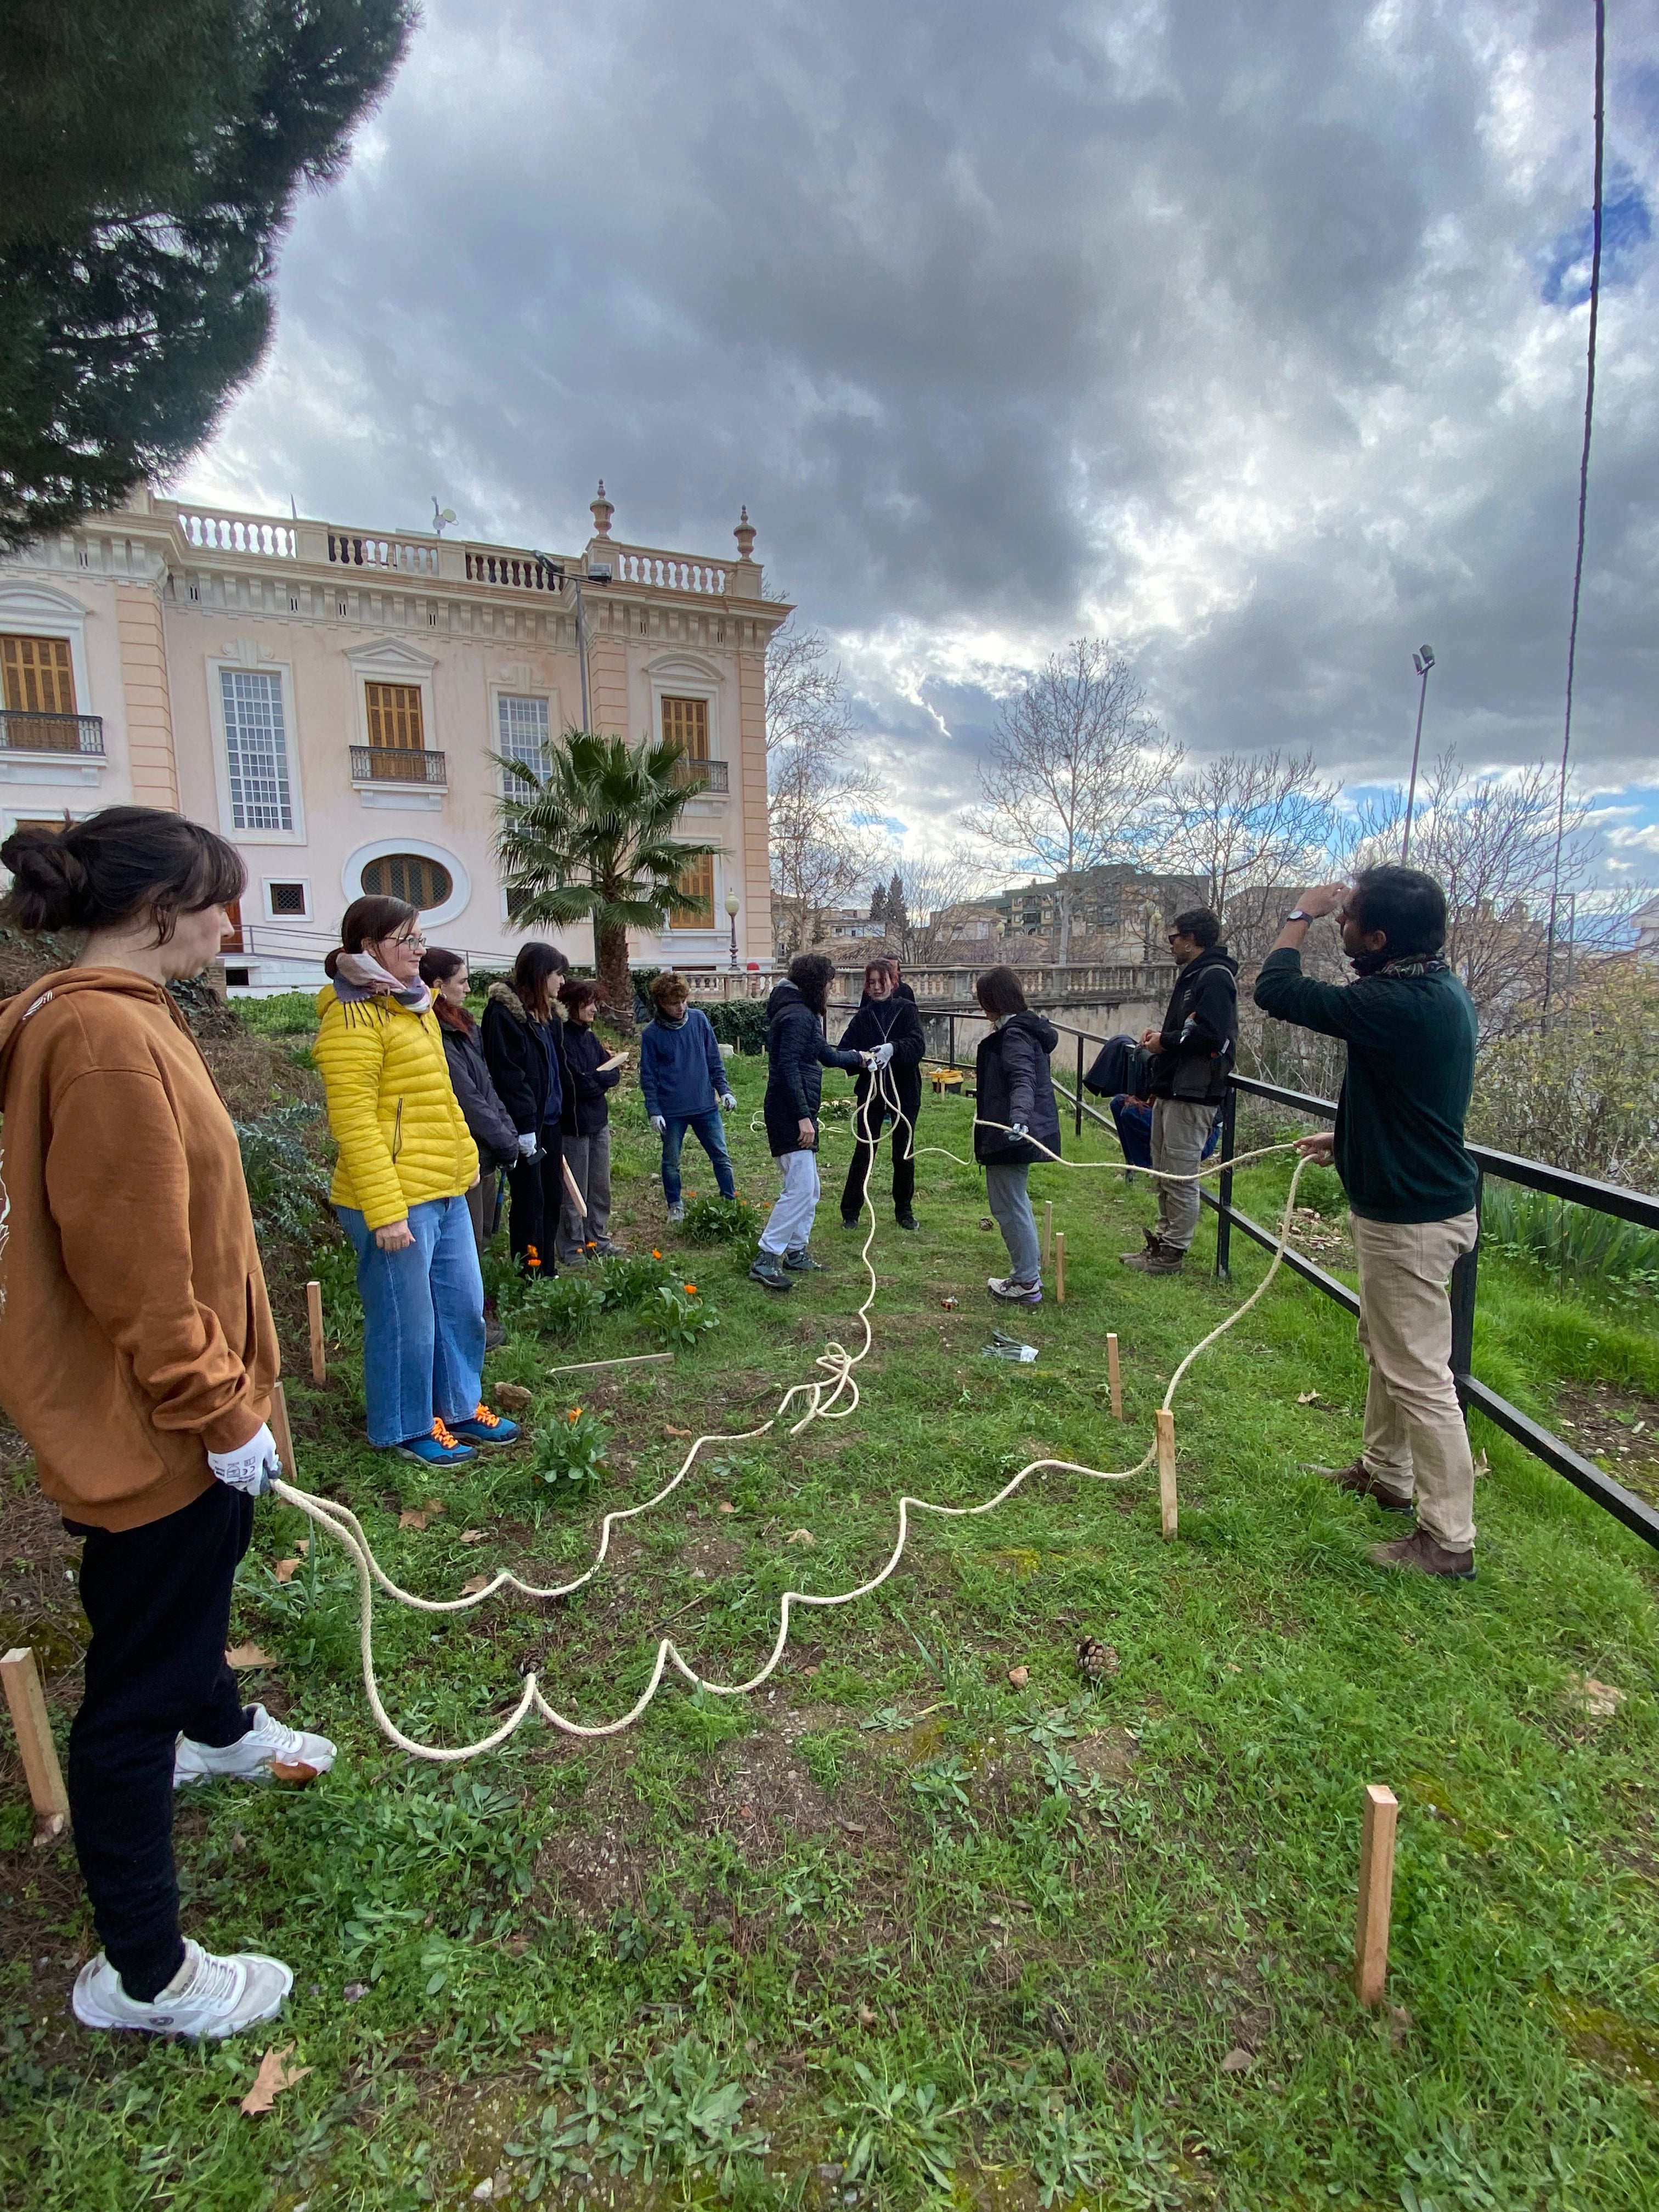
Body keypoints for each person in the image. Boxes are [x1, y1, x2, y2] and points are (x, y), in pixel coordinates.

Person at [0, 806, 335, 2039]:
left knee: (186, 1604)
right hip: (158, 1426)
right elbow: (133, 1262)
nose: (232, 923)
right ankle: (144, 1975)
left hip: (177, 1415)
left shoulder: (117, 1016)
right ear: (158, 910)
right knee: (132, 1688)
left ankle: (222, 1728)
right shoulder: (95, 1033)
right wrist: (216, 1404)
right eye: (220, 900)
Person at [1254, 867, 1480, 1579]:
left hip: (1412, 1219)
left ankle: (1448, 1540)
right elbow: (1403, 1093)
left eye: (1347, 918)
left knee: (1418, 1374)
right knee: (1389, 1348)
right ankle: (1386, 1475)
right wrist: (1346, 1138)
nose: (1339, 924)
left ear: (1376, 939)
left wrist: (1301, 913)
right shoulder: (1431, 990)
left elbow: (1276, 990)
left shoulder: (1397, 1001)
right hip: (1415, 1205)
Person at [316, 899, 518, 1468]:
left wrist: (463, 1158)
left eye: (420, 937)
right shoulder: (352, 1015)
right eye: (407, 939)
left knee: (462, 1306)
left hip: (445, 1186)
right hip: (393, 1197)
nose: (420, 949)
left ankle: (457, 1406)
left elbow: (440, 1095)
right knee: (407, 1319)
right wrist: (385, 1210)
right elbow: (354, 1120)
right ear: (369, 945)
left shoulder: (416, 1005)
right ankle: (403, 1427)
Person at [751, 952, 878, 1291]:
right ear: (814, 984)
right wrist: (803, 1118)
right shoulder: (796, 1016)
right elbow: (786, 1069)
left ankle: (796, 1251)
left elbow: (825, 1054)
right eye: (827, 984)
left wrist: (861, 1059)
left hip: (796, 1109)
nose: (829, 991)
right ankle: (767, 1258)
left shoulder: (800, 1013)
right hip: (789, 1111)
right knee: (801, 1189)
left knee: (810, 1189)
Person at [1121, 910, 1237, 1275]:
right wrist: (1164, 1044)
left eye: (1173, 937)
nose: (1170, 944)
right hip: (1174, 1089)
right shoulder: (1193, 978)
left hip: (1195, 1093)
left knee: (1181, 1175)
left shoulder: (1215, 978)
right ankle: (1160, 1242)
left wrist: (1164, 1043)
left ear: (1191, 938)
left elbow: (1211, 1035)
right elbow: (1187, 1033)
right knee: (1164, 1171)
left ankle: (1173, 1252)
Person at [973, 966, 1061, 1307]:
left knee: (1010, 1205)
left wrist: (1019, 1119)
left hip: (1011, 1134)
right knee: (1013, 1202)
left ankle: (1026, 1281)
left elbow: (1024, 1080)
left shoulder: (1015, 1036)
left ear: (994, 1000)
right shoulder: (1020, 1029)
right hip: (1009, 1130)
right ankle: (1026, 1275)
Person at [482, 943, 572, 1273]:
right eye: (557, 974)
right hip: (526, 1127)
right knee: (529, 1201)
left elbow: (556, 1068)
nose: (562, 982)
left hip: (551, 1122)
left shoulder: (549, 1016)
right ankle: (528, 1272)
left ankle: (546, 1268)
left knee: (551, 1198)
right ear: (539, 975)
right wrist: (523, 1126)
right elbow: (509, 1074)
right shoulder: (504, 1015)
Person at [637, 970, 738, 1224]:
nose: (681, 1007)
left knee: (721, 1156)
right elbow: (648, 1076)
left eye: (684, 1001)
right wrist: (654, 1111)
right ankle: (675, 1205)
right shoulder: (651, 1035)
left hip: (705, 1105)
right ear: (661, 1003)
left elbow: (713, 1058)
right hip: (672, 1110)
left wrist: (724, 1089)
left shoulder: (699, 1020)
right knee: (671, 1161)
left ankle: (730, 1200)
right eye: (673, 1003)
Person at [837, 956, 926, 1231]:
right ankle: (851, 1212)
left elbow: (917, 1044)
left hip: (904, 1090)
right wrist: (863, 1059)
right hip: (872, 1091)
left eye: (881, 981)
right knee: (865, 1149)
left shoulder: (906, 1010)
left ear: (893, 981)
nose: (876, 987)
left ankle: (904, 1211)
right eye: (871, 982)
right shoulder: (864, 1017)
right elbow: (844, 1050)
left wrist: (893, 1049)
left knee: (904, 1151)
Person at [556, 977, 625, 1261]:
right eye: (589, 1003)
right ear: (571, 1005)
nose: (595, 1009)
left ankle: (596, 1239)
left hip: (598, 1123)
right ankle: (572, 1246)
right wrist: (598, 1079)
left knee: (600, 1187)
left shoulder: (589, 1037)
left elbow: (613, 1072)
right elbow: (576, 1083)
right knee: (575, 1192)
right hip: (574, 1127)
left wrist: (597, 1079)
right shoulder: (561, 1038)